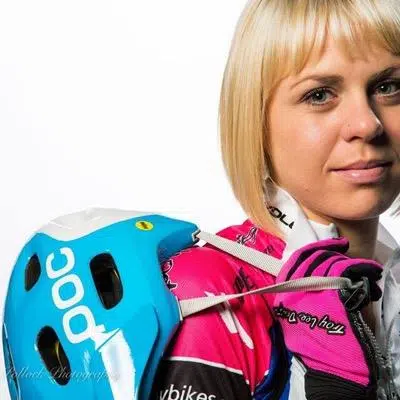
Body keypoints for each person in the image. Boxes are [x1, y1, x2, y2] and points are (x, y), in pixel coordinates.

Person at [150, 0, 400, 399]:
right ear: (255, 121)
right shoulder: (210, 293)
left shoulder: (393, 282)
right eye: (320, 94)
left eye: (388, 87)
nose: (367, 124)